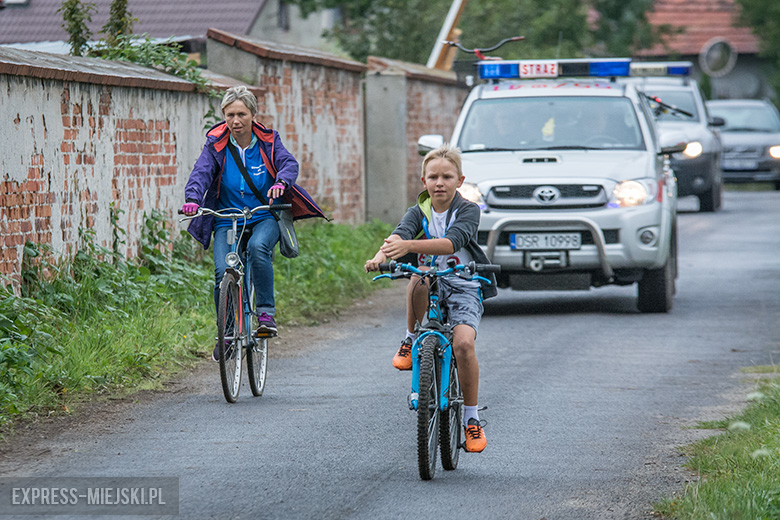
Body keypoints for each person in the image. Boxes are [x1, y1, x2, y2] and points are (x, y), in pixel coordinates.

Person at [364, 143, 497, 453]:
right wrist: (378, 257)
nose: (440, 183)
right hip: (431, 280)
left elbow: (452, 243)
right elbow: (398, 236)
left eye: (447, 177)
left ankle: (471, 419)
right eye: (433, 177)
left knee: (464, 344)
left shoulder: (467, 210)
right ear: (423, 182)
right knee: (418, 277)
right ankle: (411, 339)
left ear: (460, 181)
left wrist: (410, 246)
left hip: (465, 282)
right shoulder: (418, 211)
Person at [182, 86, 325, 361]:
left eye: (241, 114)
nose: (235, 121)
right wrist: (192, 199)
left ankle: (265, 314)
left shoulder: (269, 141)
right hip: (228, 218)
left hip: (263, 215)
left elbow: (288, 164)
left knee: (259, 248)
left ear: (253, 115)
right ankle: (225, 333)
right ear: (224, 116)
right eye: (230, 115)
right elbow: (200, 173)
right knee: (223, 270)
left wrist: (281, 183)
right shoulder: (216, 145)